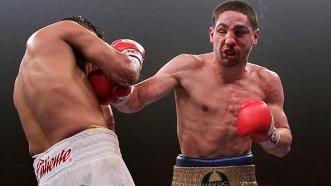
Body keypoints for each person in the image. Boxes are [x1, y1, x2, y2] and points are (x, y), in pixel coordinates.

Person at [113, 1, 292, 185]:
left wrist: (269, 135)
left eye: (239, 32)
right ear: (212, 34)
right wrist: (115, 78)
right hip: (190, 176)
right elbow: (133, 101)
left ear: (255, 36)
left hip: (242, 175)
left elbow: (283, 148)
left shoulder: (267, 81)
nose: (230, 40)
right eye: (222, 31)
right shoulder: (186, 68)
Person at [13, 16, 145, 185]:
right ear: (86, 34)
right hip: (92, 161)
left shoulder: (21, 83)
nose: (94, 60)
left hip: (48, 174)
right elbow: (127, 72)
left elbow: (108, 126)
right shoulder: (67, 28)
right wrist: (132, 55)